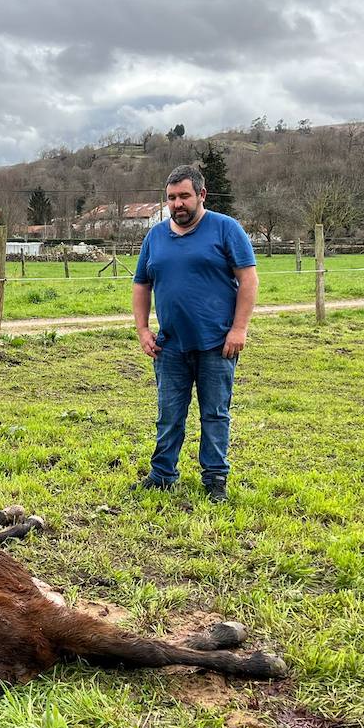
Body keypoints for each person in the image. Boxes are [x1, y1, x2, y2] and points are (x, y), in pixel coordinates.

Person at [132, 164, 258, 502]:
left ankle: (215, 479)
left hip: (218, 344)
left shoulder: (225, 229)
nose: (178, 204)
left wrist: (239, 328)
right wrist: (143, 329)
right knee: (169, 415)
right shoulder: (155, 236)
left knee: (215, 414)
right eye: (171, 198)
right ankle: (162, 474)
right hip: (169, 345)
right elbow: (142, 283)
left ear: (201, 195)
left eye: (184, 196)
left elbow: (248, 280)